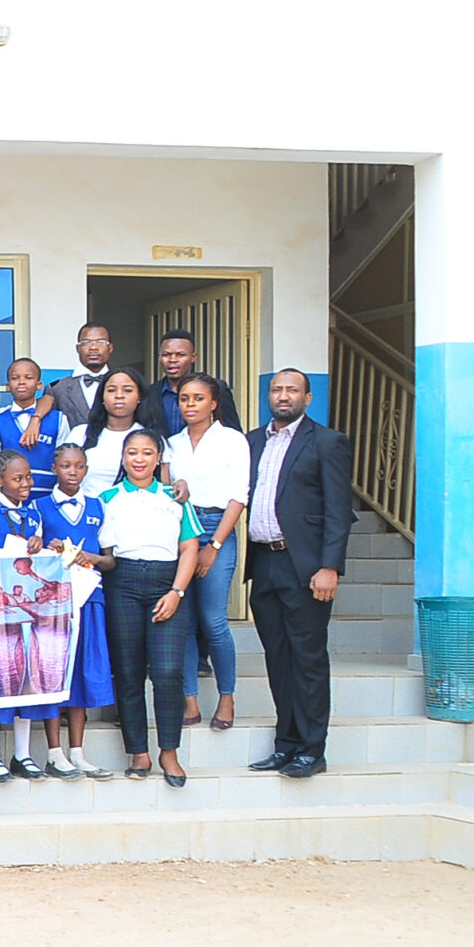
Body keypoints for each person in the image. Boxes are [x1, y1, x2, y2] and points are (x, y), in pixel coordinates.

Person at [245, 368, 354, 779]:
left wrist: (330, 566)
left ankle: (312, 749)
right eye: (276, 389)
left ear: (308, 398)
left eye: (292, 390)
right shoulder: (253, 441)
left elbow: (339, 510)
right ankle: (286, 744)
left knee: (307, 659)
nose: (283, 395)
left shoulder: (327, 442)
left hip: (305, 566)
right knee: (278, 657)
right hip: (264, 562)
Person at [96, 429, 201, 786]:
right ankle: (138, 752)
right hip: (122, 582)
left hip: (166, 583)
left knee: (168, 672)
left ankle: (169, 752)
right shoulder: (106, 499)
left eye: (146, 453)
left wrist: (176, 592)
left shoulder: (175, 497)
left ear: (158, 459)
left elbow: (190, 548)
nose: (139, 459)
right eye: (132, 452)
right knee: (128, 672)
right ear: (123, 458)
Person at [166, 372, 252, 732]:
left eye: (198, 398)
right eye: (185, 398)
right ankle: (190, 700)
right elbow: (167, 491)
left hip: (218, 527)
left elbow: (239, 497)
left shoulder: (233, 440)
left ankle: (227, 697)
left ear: (214, 403)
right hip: (181, 530)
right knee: (183, 622)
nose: (190, 404)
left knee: (214, 620)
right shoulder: (172, 443)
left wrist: (214, 545)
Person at [36, 442, 116, 781]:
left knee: (81, 672)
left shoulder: (98, 507)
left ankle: (77, 752)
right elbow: (29, 553)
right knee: (54, 673)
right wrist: (47, 549)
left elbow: (111, 560)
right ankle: (54, 753)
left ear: (86, 469)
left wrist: (93, 559)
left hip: (89, 598)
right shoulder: (39, 507)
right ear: (55, 469)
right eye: (66, 466)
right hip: (52, 603)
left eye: (79, 466)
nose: (72, 472)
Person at [0, 449, 59, 780]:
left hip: (29, 611)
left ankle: (22, 753)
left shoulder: (34, 514)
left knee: (28, 678)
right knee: (0, 677)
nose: (26, 483)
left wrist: (43, 546)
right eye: (17, 478)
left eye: (28, 477)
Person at [78, 367, 161, 493]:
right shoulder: (80, 434)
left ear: (139, 396)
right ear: (102, 397)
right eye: (111, 390)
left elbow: (163, 485)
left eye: (127, 390)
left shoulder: (151, 438)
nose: (119, 396)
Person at [0, 356, 67, 494]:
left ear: (39, 385)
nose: (21, 382)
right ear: (8, 386)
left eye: (28, 377)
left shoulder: (59, 419)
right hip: (11, 496)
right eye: (15, 378)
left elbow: (63, 460)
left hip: (48, 494)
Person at [147, 330, 243, 435]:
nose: (172, 360)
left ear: (193, 357)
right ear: (159, 357)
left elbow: (233, 430)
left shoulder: (215, 388)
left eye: (180, 355)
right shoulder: (149, 392)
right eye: (166, 355)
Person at [46, 322, 118, 428]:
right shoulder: (57, 389)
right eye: (87, 342)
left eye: (101, 342)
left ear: (110, 348)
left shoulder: (123, 385)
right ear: (78, 348)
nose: (93, 347)